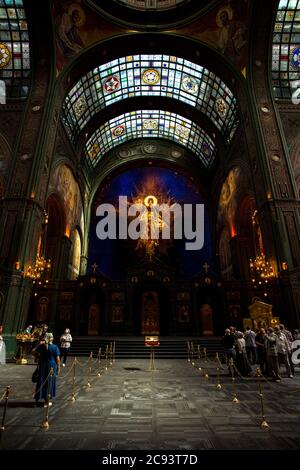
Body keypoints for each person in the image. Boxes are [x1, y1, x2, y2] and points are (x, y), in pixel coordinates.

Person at [33, 333, 60, 407]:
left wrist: (39, 357)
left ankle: (37, 400)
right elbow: (57, 359)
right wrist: (59, 368)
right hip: (51, 366)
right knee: (49, 382)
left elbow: (34, 352)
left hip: (42, 365)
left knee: (41, 381)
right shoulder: (55, 347)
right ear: (51, 338)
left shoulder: (41, 346)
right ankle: (47, 401)